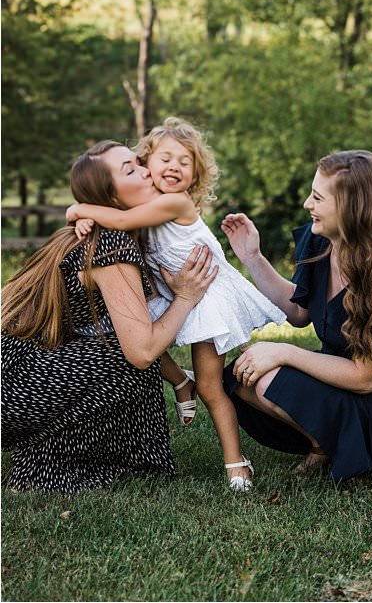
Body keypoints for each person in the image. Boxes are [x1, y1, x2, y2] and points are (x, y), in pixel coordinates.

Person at [65, 118, 284, 491]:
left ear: (195, 175)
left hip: (207, 295)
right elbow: (118, 217)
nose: (174, 167)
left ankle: (235, 461)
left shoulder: (174, 203)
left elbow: (119, 217)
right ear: (147, 162)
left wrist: (77, 211)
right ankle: (182, 383)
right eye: (165, 158)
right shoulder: (147, 204)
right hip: (175, 291)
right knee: (131, 332)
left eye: (185, 163)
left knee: (213, 387)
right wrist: (88, 216)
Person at [1, 142, 217, 492]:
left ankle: (98, 453)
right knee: (128, 358)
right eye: (131, 170)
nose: (148, 171)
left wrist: (178, 380)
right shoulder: (110, 245)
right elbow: (142, 351)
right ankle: (48, 465)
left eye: (141, 163)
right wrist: (187, 296)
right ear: (112, 200)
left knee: (121, 345)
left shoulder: (104, 232)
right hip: (12, 388)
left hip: (13, 378)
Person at [219, 150, 372, 486]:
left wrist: (284, 352)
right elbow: (300, 313)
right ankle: (322, 442)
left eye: (318, 197)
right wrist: (252, 257)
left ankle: (339, 444)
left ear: (352, 207)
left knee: (265, 377)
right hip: (335, 372)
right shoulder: (319, 241)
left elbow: (366, 377)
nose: (307, 203)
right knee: (239, 377)